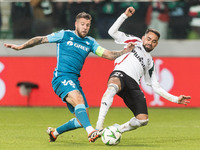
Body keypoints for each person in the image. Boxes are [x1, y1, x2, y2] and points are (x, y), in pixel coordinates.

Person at [4, 12, 134, 142]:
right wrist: (20, 47)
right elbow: (41, 39)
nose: (85, 27)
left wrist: (124, 51)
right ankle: (91, 132)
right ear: (76, 24)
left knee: (82, 120)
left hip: (74, 81)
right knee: (78, 99)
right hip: (61, 78)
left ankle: (55, 132)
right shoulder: (65, 35)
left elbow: (107, 54)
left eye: (88, 25)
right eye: (82, 24)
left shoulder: (90, 42)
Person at [96, 7, 191, 133]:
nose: (150, 43)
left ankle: (116, 130)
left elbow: (156, 86)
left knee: (143, 120)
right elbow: (112, 32)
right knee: (112, 87)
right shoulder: (134, 41)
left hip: (133, 85)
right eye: (148, 39)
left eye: (153, 41)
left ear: (156, 44)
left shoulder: (150, 62)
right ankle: (98, 126)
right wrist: (124, 15)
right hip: (120, 74)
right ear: (143, 37)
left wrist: (175, 99)